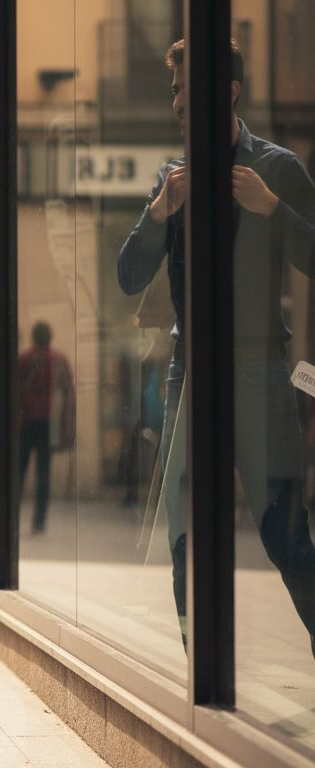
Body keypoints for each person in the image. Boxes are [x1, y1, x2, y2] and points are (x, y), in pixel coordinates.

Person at [118, 38, 315, 649]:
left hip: (258, 371)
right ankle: (200, 680)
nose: (178, 101)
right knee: (185, 539)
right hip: (188, 371)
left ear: (227, 91)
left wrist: (271, 207)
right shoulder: (171, 178)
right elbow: (128, 277)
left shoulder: (276, 167)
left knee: (284, 535)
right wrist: (157, 212)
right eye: (175, 90)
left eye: (186, 88)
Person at [15, 322, 74, 535]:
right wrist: (67, 426)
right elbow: (68, 394)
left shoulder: (22, 360)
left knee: (18, 473)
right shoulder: (58, 360)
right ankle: (39, 522)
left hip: (26, 422)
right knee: (43, 474)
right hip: (48, 423)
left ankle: (12, 518)